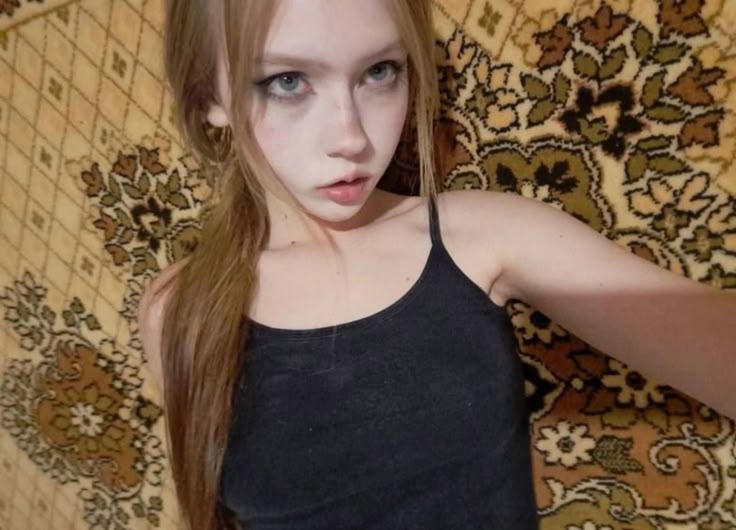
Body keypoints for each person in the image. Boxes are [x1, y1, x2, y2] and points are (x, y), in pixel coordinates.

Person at [136, 1, 736, 529]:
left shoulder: (482, 238)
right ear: (208, 96)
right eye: (287, 81)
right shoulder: (179, 311)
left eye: (380, 71)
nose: (351, 137)